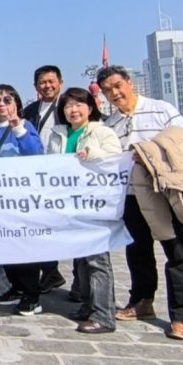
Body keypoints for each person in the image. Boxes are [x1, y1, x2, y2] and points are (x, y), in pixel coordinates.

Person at [98, 65, 183, 341]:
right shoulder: (111, 125)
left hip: (164, 192)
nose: (114, 93)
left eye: (117, 86)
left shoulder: (161, 109)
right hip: (131, 195)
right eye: (108, 90)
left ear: (129, 83)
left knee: (175, 251)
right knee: (137, 251)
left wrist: (151, 155)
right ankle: (142, 301)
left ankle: (182, 315)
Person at [44, 87, 122, 334]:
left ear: (90, 108)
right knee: (81, 257)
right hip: (68, 203)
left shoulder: (102, 132)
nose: (73, 110)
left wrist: (93, 154)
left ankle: (104, 314)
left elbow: (116, 161)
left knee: (97, 260)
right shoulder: (59, 135)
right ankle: (88, 305)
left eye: (79, 104)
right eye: (68, 106)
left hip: (94, 202)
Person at [0, 84, 46, 317]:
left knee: (24, 248)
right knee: (5, 246)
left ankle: (32, 294)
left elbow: (36, 154)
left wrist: (18, 128)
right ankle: (16, 288)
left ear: (16, 103)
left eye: (7, 100)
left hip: (20, 199)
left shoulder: (25, 126)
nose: (2, 104)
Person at [22, 66, 67, 295]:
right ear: (35, 86)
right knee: (38, 226)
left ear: (61, 81)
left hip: (64, 175)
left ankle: (78, 282)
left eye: (51, 81)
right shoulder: (30, 111)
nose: (47, 86)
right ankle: (51, 272)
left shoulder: (71, 106)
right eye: (42, 82)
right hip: (36, 175)